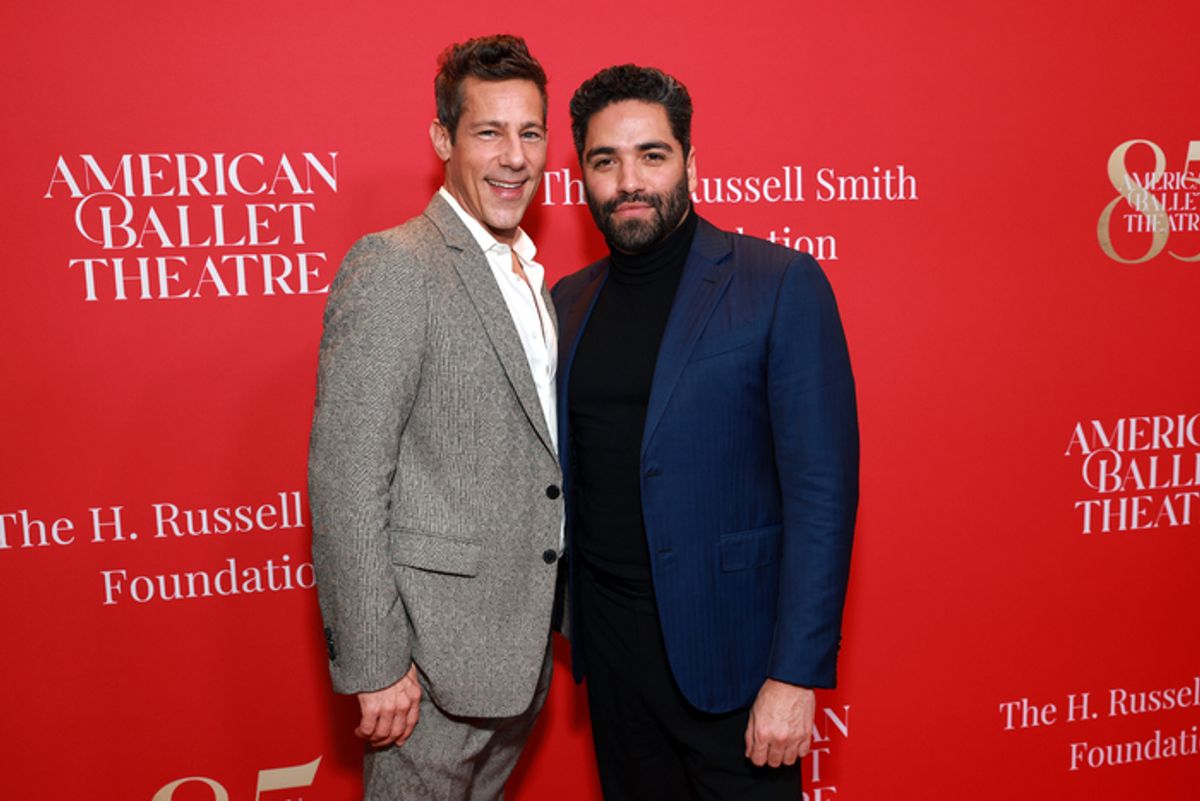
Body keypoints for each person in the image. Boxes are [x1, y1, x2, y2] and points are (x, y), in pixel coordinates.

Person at [553, 64, 859, 801]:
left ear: (690, 161)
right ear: (583, 177)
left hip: (737, 660)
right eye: (605, 160)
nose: (629, 179)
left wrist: (794, 674)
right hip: (613, 655)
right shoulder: (566, 301)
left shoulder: (778, 282)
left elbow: (822, 490)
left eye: (651, 155)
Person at [308, 34, 563, 801]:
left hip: (517, 654)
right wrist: (378, 662)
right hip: (427, 669)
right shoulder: (396, 265)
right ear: (443, 140)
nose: (514, 156)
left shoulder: (532, 277)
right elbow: (347, 477)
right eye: (489, 132)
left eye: (530, 132)